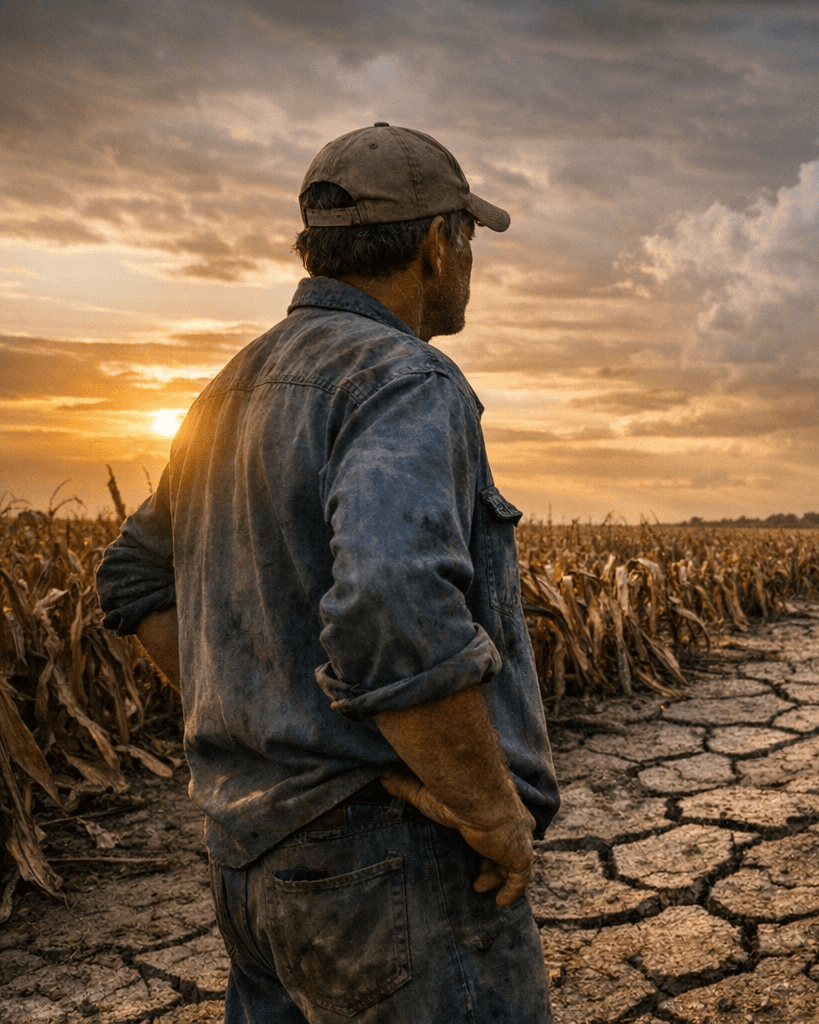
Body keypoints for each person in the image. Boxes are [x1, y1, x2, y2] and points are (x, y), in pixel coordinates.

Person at [96, 123, 559, 1023]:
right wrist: (491, 812)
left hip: (252, 862)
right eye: (469, 241)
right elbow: (394, 603)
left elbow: (134, 579)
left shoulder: (229, 386)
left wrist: (273, 718)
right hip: (393, 863)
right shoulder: (405, 379)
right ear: (438, 244)